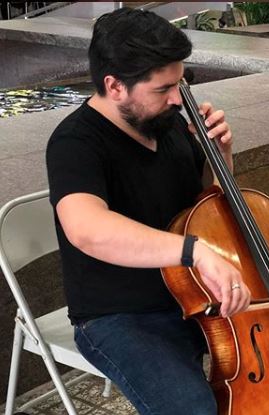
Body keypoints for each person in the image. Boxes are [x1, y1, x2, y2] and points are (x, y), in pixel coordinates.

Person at [45, 7, 251, 415]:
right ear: (115, 86)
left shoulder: (169, 123)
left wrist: (221, 154)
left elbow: (207, 206)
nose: (178, 98)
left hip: (192, 292)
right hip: (121, 314)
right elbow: (86, 228)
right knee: (191, 407)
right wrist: (192, 250)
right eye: (163, 89)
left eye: (181, 82)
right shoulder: (74, 142)